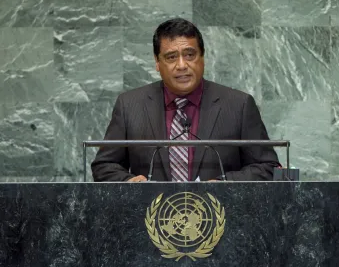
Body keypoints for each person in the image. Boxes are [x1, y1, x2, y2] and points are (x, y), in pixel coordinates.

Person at [91, 18, 280, 182]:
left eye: (190, 55)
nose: (182, 65)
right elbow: (104, 165)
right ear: (157, 63)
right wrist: (129, 182)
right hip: (150, 218)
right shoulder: (130, 105)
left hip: (221, 217)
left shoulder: (239, 105)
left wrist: (224, 184)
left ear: (202, 58)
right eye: (171, 57)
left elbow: (268, 166)